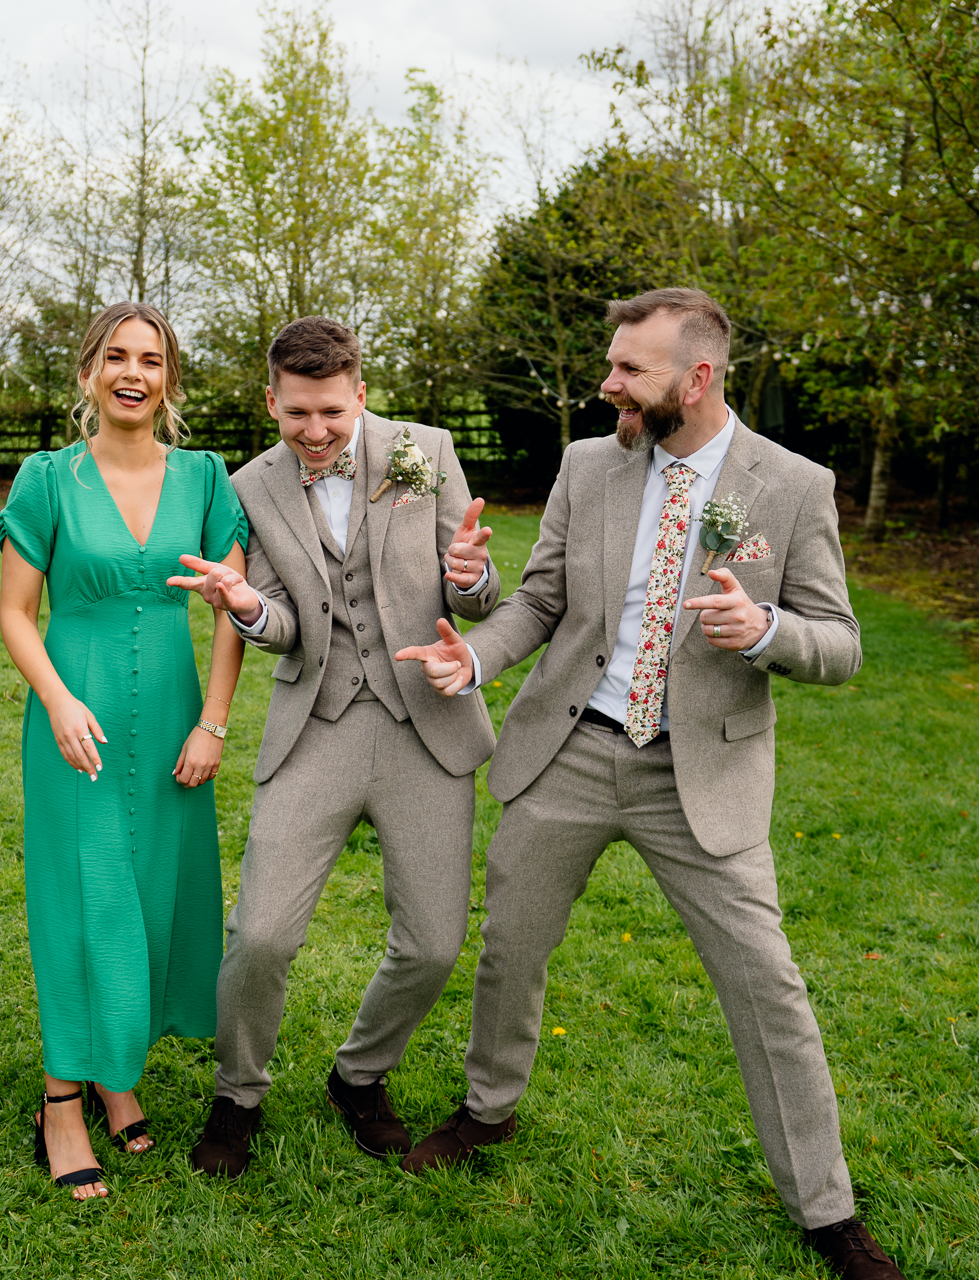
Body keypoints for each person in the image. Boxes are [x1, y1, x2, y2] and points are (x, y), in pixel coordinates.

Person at [395, 288, 906, 1280]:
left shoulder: (794, 486)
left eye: (630, 369)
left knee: (768, 985)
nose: (608, 383)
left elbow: (840, 643)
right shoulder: (591, 466)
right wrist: (479, 657)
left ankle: (826, 1206)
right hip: (570, 750)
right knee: (511, 945)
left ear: (699, 377)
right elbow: (540, 597)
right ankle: (486, 1109)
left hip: (700, 774)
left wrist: (765, 632)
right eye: (612, 364)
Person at [167, 316, 501, 1178]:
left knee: (432, 943)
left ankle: (360, 1076)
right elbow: (277, 625)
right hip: (316, 723)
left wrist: (472, 578)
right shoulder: (250, 485)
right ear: (270, 400)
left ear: (360, 394)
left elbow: (474, 591)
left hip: (425, 721)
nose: (314, 433)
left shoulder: (426, 450)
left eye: (332, 414)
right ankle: (238, 1092)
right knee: (263, 935)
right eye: (296, 415)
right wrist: (243, 603)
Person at [0, 301, 248, 1200]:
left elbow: (231, 608)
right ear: (90, 374)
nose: (133, 372)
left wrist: (213, 720)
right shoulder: (47, 478)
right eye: (116, 357)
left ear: (169, 379)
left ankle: (117, 1075)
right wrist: (57, 699)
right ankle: (62, 1100)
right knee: (80, 893)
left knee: (150, 890)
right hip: (78, 716)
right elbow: (15, 614)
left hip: (176, 712)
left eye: (151, 359)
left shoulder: (208, 477)